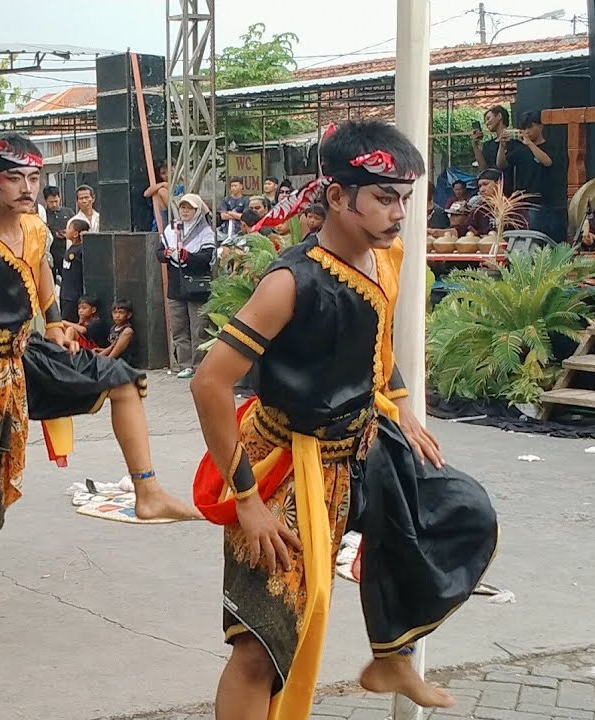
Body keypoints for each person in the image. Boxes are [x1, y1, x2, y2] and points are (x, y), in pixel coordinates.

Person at [190, 119, 497, 720]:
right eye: (385, 198)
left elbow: (379, 349)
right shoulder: (290, 282)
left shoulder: (385, 260)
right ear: (337, 196)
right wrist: (247, 499)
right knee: (263, 645)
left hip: (357, 449)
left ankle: (390, 657)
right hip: (280, 469)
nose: (398, 213)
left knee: (459, 513)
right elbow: (210, 381)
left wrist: (401, 406)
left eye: (404, 199)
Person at [0, 132, 199, 664]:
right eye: (15, 178)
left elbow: (39, 273)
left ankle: (147, 492)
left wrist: (56, 319)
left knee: (123, 378)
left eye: (34, 177)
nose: (26, 187)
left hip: (25, 356)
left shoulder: (36, 228)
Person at [157, 193, 216, 379]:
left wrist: (186, 256)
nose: (185, 211)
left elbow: (206, 259)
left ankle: (199, 365)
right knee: (179, 327)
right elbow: (159, 252)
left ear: (197, 210)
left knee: (198, 328)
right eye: (183, 207)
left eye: (189, 208)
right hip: (176, 286)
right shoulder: (172, 229)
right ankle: (184, 364)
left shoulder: (205, 232)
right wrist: (166, 253)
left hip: (197, 287)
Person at [511, 112, 556, 235]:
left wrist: (529, 144)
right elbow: (502, 164)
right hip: (522, 202)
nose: (527, 131)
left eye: (530, 127)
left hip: (542, 202)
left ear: (541, 126)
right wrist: (502, 145)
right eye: (524, 128)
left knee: (535, 235)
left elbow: (547, 162)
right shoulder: (520, 149)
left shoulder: (550, 146)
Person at [471, 105, 521, 193]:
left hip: (508, 190)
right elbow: (484, 169)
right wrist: (475, 146)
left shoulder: (515, 143)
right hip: (490, 192)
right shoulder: (488, 145)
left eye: (488, 118)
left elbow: (502, 165)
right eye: (485, 121)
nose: (487, 123)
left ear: (499, 116)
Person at [59, 218, 91, 323]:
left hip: (73, 296)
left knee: (68, 322)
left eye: (69, 228)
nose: (66, 230)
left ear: (76, 233)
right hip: (65, 292)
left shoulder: (81, 250)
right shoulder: (70, 249)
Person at [96, 298, 136, 365]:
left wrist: (105, 359)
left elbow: (116, 349)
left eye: (121, 312)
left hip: (123, 361)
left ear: (128, 315)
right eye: (115, 313)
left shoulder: (126, 330)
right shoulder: (113, 328)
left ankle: (106, 363)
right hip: (112, 356)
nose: (117, 316)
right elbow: (112, 347)